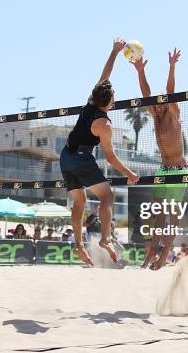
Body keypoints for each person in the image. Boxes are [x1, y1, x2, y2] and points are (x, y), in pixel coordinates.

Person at [59, 37, 139, 265]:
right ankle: (105, 238)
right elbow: (111, 157)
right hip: (81, 158)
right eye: (114, 95)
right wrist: (130, 174)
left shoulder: (90, 101)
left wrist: (114, 52)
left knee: (80, 202)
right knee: (107, 196)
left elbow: (105, 76)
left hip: (65, 156)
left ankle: (78, 245)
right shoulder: (104, 124)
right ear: (111, 101)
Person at [132, 48, 188, 271]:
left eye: (163, 102)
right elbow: (146, 94)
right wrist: (139, 71)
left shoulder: (173, 114)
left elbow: (170, 90)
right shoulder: (155, 115)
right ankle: (151, 254)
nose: (160, 104)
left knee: (172, 216)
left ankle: (165, 253)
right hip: (163, 169)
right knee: (157, 214)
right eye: (158, 103)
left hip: (177, 169)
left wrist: (172, 66)